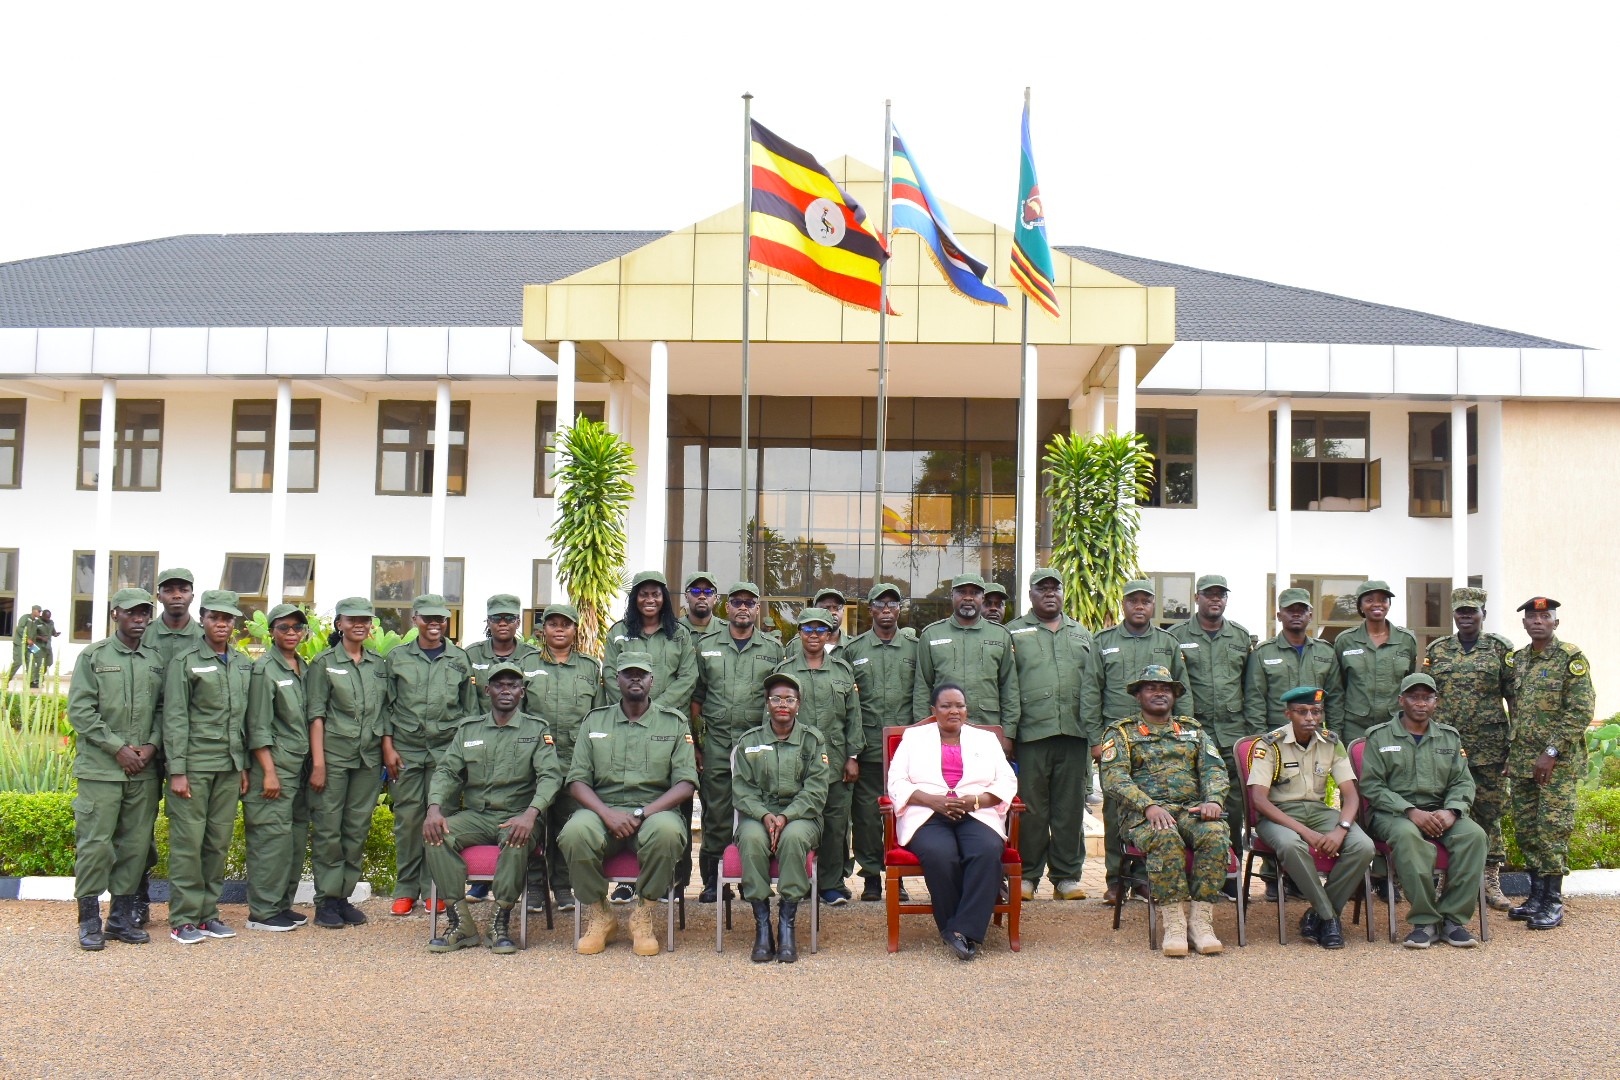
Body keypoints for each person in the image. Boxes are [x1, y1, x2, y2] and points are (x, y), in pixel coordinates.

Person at [560, 652, 698, 957]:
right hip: (602, 811)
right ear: (616, 680)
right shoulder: (595, 721)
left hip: (654, 812)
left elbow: (686, 783)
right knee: (574, 832)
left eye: (641, 674)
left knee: (667, 833)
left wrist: (641, 813)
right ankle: (600, 914)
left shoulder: (673, 723)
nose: (635, 679)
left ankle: (643, 913)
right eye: (628, 673)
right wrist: (607, 814)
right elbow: (577, 780)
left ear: (652, 680)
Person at [423, 662, 564, 954]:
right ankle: (460, 922)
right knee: (436, 835)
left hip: (519, 815)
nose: (506, 690)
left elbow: (551, 776)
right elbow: (447, 771)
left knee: (516, 838)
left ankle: (500, 921)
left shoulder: (536, 729)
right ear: (487, 690)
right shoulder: (469, 730)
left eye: (513, 685)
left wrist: (531, 814)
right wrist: (434, 808)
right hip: (477, 816)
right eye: (499, 685)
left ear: (522, 692)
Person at [1099, 665, 1229, 958]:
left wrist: (1214, 801)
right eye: (1151, 688)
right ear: (1138, 695)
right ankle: (1174, 923)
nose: (1159, 693)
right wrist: (1148, 805)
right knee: (1165, 836)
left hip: (1189, 810)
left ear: (1174, 695)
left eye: (1165, 688)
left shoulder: (1193, 730)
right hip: (1143, 815)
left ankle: (1200, 921)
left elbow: (1215, 770)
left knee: (1216, 833)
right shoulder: (1121, 733)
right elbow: (1114, 778)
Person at [66, 588, 165, 950]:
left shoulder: (155, 660)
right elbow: (80, 711)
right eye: (131, 613)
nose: (139, 619)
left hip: (143, 771)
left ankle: (121, 919)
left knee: (135, 846)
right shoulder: (94, 656)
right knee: (95, 845)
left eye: (144, 613)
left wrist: (151, 746)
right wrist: (117, 748)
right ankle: (89, 921)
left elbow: (163, 710)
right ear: (115, 615)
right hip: (101, 770)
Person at [888, 683, 1018, 961]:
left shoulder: (986, 739)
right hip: (927, 813)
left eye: (959, 705)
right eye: (946, 706)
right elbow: (896, 781)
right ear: (933, 710)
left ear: (966, 709)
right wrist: (932, 801)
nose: (954, 711)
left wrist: (977, 801)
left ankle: (961, 930)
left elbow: (1006, 780)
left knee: (986, 851)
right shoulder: (913, 738)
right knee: (941, 854)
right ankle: (955, 926)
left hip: (976, 811)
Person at [1358, 673, 1486, 948]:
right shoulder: (1379, 736)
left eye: (1427, 698)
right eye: (1413, 697)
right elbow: (1372, 786)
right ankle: (1425, 921)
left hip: (1441, 812)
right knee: (1408, 837)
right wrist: (1409, 810)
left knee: (1474, 836)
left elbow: (1462, 781)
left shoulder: (1448, 737)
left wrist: (1453, 811)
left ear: (1435, 702)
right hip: (1393, 814)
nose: (1420, 703)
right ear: (1401, 700)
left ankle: (1453, 920)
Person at [1246, 687, 1375, 949]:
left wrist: (1341, 829)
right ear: (1288, 714)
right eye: (1302, 712)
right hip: (1278, 815)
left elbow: (1351, 795)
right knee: (1291, 845)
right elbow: (1259, 800)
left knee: (1363, 846)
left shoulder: (1331, 743)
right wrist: (1306, 833)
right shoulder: (1269, 745)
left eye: (1316, 712)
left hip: (1317, 811)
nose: (1310, 718)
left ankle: (1315, 914)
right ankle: (1329, 918)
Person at [1091, 579, 1193, 906]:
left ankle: (1147, 879)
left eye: (1145, 601)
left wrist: (1186, 738)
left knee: (1159, 807)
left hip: (1161, 742)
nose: (1139, 606)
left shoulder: (1168, 642)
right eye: (1132, 600)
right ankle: (1116, 880)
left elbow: (1182, 691)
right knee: (1115, 811)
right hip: (1118, 739)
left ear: (1153, 606)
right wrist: (1095, 739)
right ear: (1123, 604)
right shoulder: (1103, 641)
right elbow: (1091, 691)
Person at [161, 589, 252, 945]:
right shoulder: (185, 661)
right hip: (195, 765)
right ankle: (183, 918)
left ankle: (207, 914)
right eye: (215, 617)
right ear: (203, 619)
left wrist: (242, 766)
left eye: (228, 618)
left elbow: (243, 719)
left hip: (228, 766)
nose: (222, 624)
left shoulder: (242, 663)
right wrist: (177, 771)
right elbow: (175, 717)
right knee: (189, 843)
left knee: (217, 843)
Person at [380, 593, 479, 916]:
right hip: (406, 750)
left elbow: (470, 711)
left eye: (440, 619)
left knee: (441, 819)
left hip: (445, 751)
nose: (434, 624)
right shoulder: (397, 658)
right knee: (408, 820)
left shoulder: (459, 659)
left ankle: (433, 888)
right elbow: (386, 707)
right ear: (415, 620)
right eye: (428, 618)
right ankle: (405, 889)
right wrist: (388, 748)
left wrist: (463, 756)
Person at [601, 570, 697, 903]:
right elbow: (610, 675)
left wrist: (655, 709)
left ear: (664, 598)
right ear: (635, 598)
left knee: (675, 804)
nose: (650, 599)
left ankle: (675, 879)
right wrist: (638, 708)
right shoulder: (619, 633)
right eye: (643, 594)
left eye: (656, 593)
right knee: (627, 796)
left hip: (669, 728)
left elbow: (688, 677)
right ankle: (629, 881)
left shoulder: (679, 634)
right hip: (627, 726)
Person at [1004, 568, 1100, 901]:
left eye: (1054, 588)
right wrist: (1009, 733)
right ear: (1030, 594)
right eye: (1041, 588)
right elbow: (1007, 685)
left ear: (1063, 593)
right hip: (1031, 734)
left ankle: (1066, 877)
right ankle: (1028, 876)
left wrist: (1094, 733)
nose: (1049, 593)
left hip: (1074, 732)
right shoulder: (1013, 632)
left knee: (1070, 809)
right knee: (1031, 809)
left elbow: (1093, 685)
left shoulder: (1082, 633)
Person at [691, 581, 784, 903]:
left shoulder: (773, 649)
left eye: (749, 602)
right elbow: (696, 698)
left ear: (757, 609)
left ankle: (749, 876)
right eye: (737, 602)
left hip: (755, 744)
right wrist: (697, 745)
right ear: (726, 607)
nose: (743, 607)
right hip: (716, 741)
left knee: (753, 810)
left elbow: (777, 698)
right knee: (716, 813)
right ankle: (713, 881)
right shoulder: (706, 645)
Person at [1506, 597, 1595, 931]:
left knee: (1552, 829)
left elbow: (1581, 710)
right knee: (1527, 830)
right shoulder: (1518, 660)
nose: (1538, 621)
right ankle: (1536, 897)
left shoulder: (1570, 658)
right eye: (1532, 617)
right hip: (1523, 760)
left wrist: (1552, 752)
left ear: (1555, 622)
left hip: (1557, 764)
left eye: (1545, 616)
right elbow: (1517, 709)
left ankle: (1553, 902)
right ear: (1524, 623)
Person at [1424, 587, 1515, 910]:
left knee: (1489, 811)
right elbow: (1426, 697)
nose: (1466, 617)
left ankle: (1490, 879)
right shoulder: (1437, 650)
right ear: (1454, 615)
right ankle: (1447, 877)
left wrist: (1514, 744)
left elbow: (1514, 698)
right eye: (1460, 612)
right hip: (1447, 748)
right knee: (1445, 808)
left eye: (1472, 611)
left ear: (1483, 614)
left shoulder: (1500, 649)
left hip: (1489, 747)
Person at [731, 672, 831, 962]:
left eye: (789, 699)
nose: (782, 704)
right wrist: (764, 815)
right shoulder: (749, 741)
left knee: (793, 838)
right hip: (757, 815)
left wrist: (786, 817)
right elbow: (742, 790)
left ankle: (787, 923)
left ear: (799, 704)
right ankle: (762, 925)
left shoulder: (812, 741)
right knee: (751, 839)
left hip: (802, 817)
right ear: (767, 703)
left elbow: (816, 791)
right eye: (776, 699)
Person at [305, 597, 388, 930]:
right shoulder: (324, 663)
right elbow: (316, 714)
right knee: (329, 828)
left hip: (368, 758)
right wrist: (318, 763)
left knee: (356, 828)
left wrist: (387, 750)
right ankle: (326, 900)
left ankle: (343, 897)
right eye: (352, 620)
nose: (359, 625)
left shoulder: (378, 664)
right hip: (334, 756)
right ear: (339, 624)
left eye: (365, 620)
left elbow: (384, 711)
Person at [1169, 575, 1251, 895]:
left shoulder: (1240, 636)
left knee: (1233, 806)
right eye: (1209, 594)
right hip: (1194, 733)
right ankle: (1189, 873)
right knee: (1190, 802)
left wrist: (1250, 734)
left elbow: (1250, 687)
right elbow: (1174, 686)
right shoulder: (1177, 636)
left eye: (1220, 594)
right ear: (1197, 598)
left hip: (1232, 733)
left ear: (1226, 599)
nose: (1215, 599)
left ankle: (1230, 876)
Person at [775, 608, 861, 905]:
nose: (814, 635)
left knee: (836, 825)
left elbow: (854, 717)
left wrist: (853, 756)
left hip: (836, 759)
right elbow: (772, 716)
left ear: (829, 634)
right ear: (799, 632)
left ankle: (831, 885)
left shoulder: (842, 670)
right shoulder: (785, 670)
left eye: (821, 630)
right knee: (797, 821)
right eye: (808, 629)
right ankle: (797, 883)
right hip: (795, 760)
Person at [135, 567, 205, 925]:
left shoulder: (205, 636)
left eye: (183, 589)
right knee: (138, 826)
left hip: (190, 746)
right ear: (159, 595)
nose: (177, 595)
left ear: (192, 595)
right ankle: (137, 896)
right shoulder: (143, 634)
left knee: (191, 829)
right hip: (145, 742)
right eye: (170, 589)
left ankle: (192, 906)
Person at [461, 592, 542, 903]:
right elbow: (468, 702)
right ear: (488, 621)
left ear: (518, 622)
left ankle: (529, 885)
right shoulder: (471, 655)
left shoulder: (532, 656)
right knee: (479, 806)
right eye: (497, 618)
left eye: (509, 618)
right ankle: (482, 882)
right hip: (480, 740)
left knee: (523, 815)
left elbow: (532, 703)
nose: (503, 623)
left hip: (521, 740)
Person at [524, 603, 605, 913]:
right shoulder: (526, 664)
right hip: (535, 761)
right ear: (542, 629)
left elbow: (597, 717)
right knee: (535, 824)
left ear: (575, 630)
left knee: (568, 826)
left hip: (575, 762)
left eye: (566, 624)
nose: (559, 629)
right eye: (553, 623)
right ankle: (534, 886)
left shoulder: (590, 667)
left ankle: (562, 885)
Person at [842, 582, 919, 902]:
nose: (886, 609)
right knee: (867, 817)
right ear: (870, 609)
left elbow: (922, 694)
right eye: (879, 604)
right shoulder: (855, 650)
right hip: (869, 747)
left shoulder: (915, 648)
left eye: (892, 604)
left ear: (900, 609)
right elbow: (848, 704)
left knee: (902, 813)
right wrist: (852, 752)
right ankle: (871, 875)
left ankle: (897, 876)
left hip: (906, 749)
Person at [243, 604, 312, 932]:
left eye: (297, 628)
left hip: (298, 767)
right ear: (271, 631)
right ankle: (262, 912)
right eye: (284, 627)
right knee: (270, 840)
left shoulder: (302, 666)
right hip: (274, 768)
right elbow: (257, 725)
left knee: (292, 841)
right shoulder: (265, 669)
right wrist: (268, 771)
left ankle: (282, 905)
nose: (291, 633)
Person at [912, 573, 1020, 744]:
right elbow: (922, 687)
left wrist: (1008, 733)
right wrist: (924, 729)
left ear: (982, 598)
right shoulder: (931, 635)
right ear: (952, 595)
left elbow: (1009, 687)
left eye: (975, 593)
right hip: (943, 730)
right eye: (962, 592)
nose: (968, 597)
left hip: (988, 728)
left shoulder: (1001, 635)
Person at [1334, 580, 1418, 746]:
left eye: (1383, 599)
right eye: (1369, 600)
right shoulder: (1345, 641)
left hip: (1395, 725)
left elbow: (1409, 684)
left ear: (1389, 604)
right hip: (1355, 726)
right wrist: (1336, 730)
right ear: (1360, 606)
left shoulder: (1406, 640)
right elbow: (1338, 688)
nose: (1377, 604)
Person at [783, 587, 847, 660]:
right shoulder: (795, 645)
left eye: (837, 608)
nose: (833, 612)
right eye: (826, 609)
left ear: (843, 611)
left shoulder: (852, 646)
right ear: (814, 610)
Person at [678, 571, 720, 638]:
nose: (702, 596)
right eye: (695, 591)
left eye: (708, 592)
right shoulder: (672, 630)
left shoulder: (727, 631)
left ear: (715, 598)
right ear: (686, 597)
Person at [27, 607, 60, 687]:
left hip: (47, 646)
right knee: (39, 664)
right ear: (43, 615)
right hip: (38, 646)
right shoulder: (36, 622)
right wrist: (41, 638)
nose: (48, 619)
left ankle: (39, 677)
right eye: (46, 617)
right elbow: (31, 634)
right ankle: (35, 681)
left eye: (49, 617)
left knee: (49, 662)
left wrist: (55, 634)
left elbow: (53, 631)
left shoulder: (51, 622)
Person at [8, 603, 38, 684]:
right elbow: (20, 629)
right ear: (34, 611)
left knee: (31, 661)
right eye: (39, 611)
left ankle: (31, 681)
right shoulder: (25, 617)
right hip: (20, 643)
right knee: (18, 661)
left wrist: (33, 643)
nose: (40, 613)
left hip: (30, 645)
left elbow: (34, 633)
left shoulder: (35, 621)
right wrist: (27, 639)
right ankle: (7, 678)